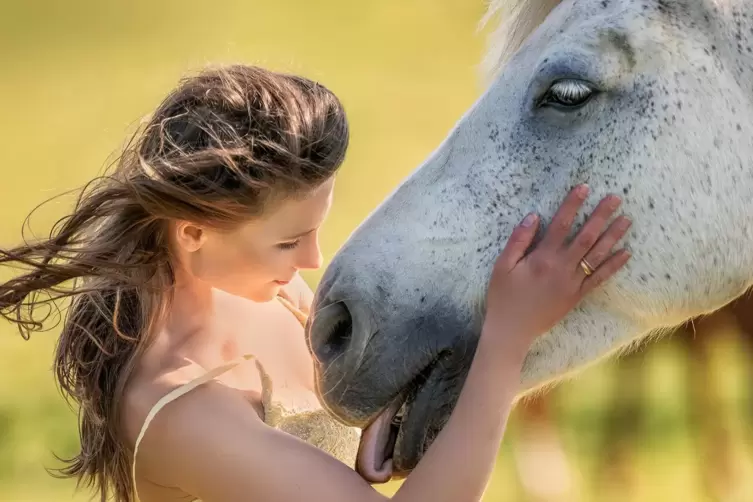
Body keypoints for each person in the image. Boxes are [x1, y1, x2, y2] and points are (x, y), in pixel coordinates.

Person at [0, 64, 632, 502]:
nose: (311, 261)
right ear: (192, 233)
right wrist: (508, 338)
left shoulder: (261, 288)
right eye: (287, 240)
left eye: (314, 230)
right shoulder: (180, 408)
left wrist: (379, 423)